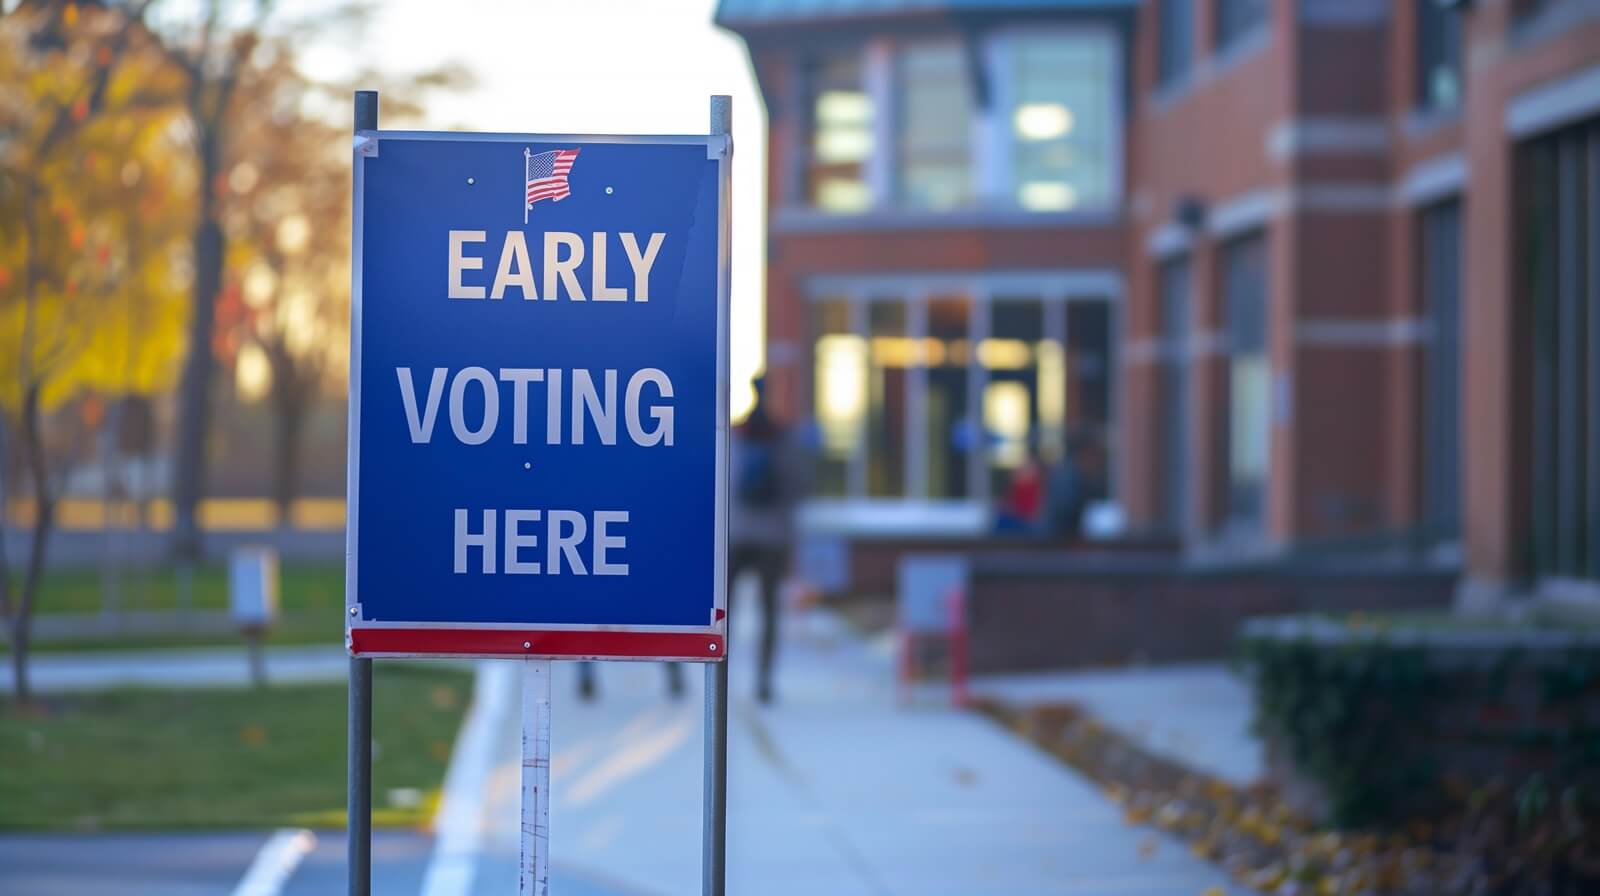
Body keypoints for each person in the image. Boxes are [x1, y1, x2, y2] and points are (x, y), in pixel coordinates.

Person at [730, 376, 802, 704]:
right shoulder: (784, 439)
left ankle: (722, 671)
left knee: (723, 612)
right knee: (769, 610)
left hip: (737, 533)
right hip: (772, 536)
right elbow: (797, 488)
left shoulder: (734, 436)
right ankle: (764, 679)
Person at [1045, 429, 1107, 541]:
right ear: (1085, 453)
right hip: (1057, 545)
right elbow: (1065, 514)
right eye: (1095, 454)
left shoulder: (1076, 474)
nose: (1097, 461)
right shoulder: (1068, 476)